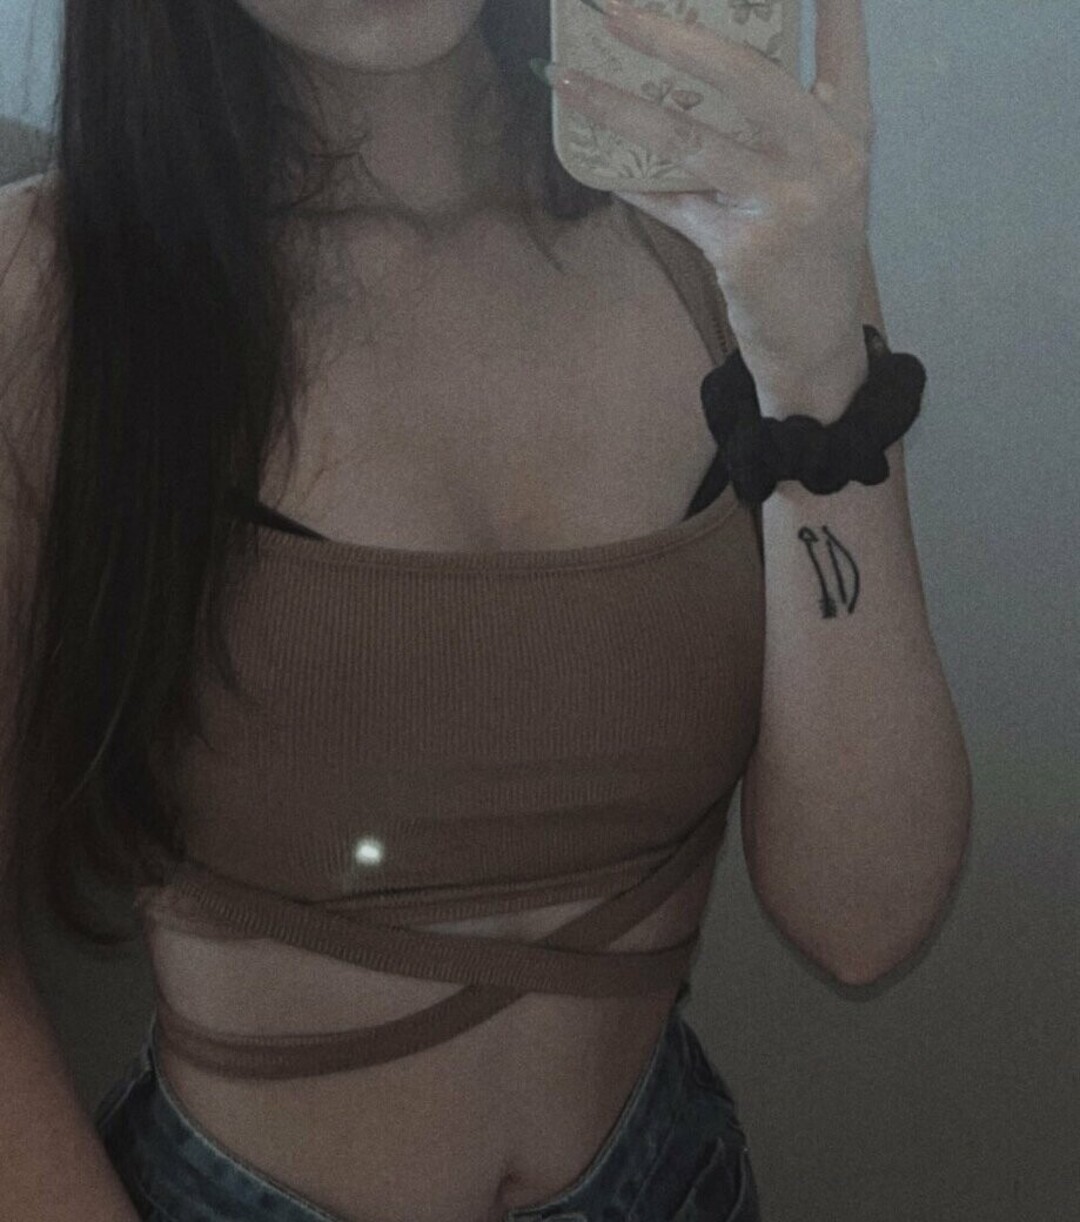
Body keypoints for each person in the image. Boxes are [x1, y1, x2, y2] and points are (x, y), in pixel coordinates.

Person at [3, 1, 969, 1220]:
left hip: (673, 1182)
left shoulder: (730, 235)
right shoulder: (47, 294)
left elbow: (864, 918)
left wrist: (818, 360)